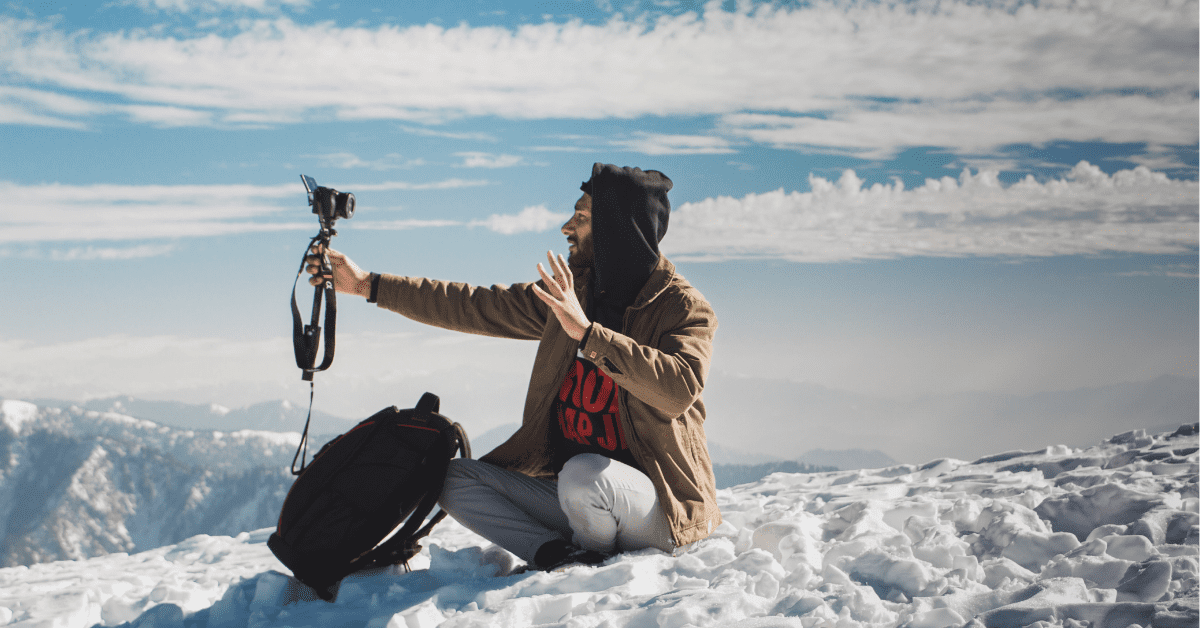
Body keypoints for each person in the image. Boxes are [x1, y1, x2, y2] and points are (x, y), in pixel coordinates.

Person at [306, 163, 720, 571]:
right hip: (579, 502)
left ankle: (593, 567)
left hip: (657, 513)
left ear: (617, 230)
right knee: (448, 478)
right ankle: (554, 556)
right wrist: (366, 285)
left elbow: (678, 388)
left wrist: (588, 335)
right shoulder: (571, 293)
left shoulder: (682, 307)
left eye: (581, 217)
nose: (566, 228)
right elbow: (473, 305)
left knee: (585, 475)